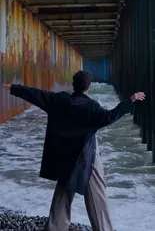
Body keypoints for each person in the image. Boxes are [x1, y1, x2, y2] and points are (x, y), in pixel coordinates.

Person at [3, 71, 145, 231]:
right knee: (97, 195)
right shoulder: (91, 107)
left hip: (65, 156)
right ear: (88, 87)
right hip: (86, 156)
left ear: (74, 85)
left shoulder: (59, 100)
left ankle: (55, 228)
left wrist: (14, 88)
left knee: (63, 193)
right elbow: (109, 117)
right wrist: (130, 101)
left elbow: (36, 94)